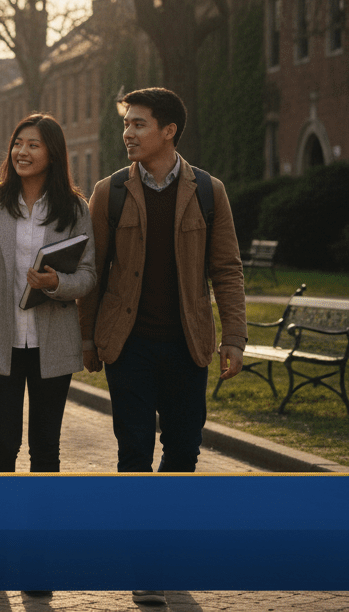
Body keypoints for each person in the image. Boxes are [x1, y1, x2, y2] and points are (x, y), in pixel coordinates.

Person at [79, 88, 245, 477]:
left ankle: (169, 531)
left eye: (139, 124)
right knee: (134, 453)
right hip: (128, 344)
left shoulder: (208, 191)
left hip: (187, 344)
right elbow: (93, 271)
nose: (128, 134)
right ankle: (138, 535)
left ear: (168, 130)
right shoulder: (108, 193)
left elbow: (227, 269)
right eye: (126, 125)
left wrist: (234, 337)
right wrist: (87, 337)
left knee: (184, 451)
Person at [0, 115, 96, 476]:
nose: (21, 151)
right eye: (18, 143)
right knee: (3, 442)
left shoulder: (73, 208)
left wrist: (55, 284)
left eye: (33, 145)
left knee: (46, 446)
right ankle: (1, 524)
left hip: (52, 338)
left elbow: (87, 275)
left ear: (52, 154)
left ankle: (41, 526)